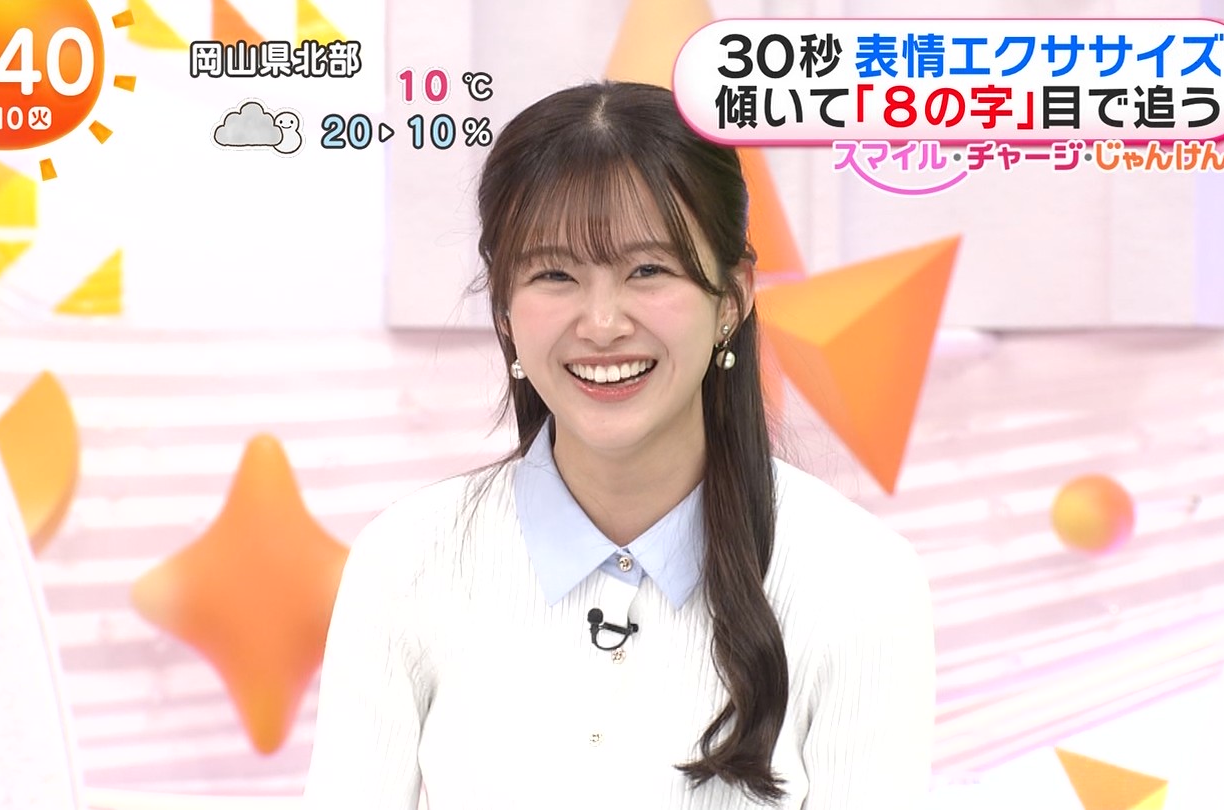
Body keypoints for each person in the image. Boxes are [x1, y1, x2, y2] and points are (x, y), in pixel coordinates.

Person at [302, 80, 935, 810]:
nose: (602, 324)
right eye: (554, 274)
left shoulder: (858, 578)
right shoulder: (407, 559)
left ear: (731, 299)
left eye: (648, 270)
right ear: (504, 309)